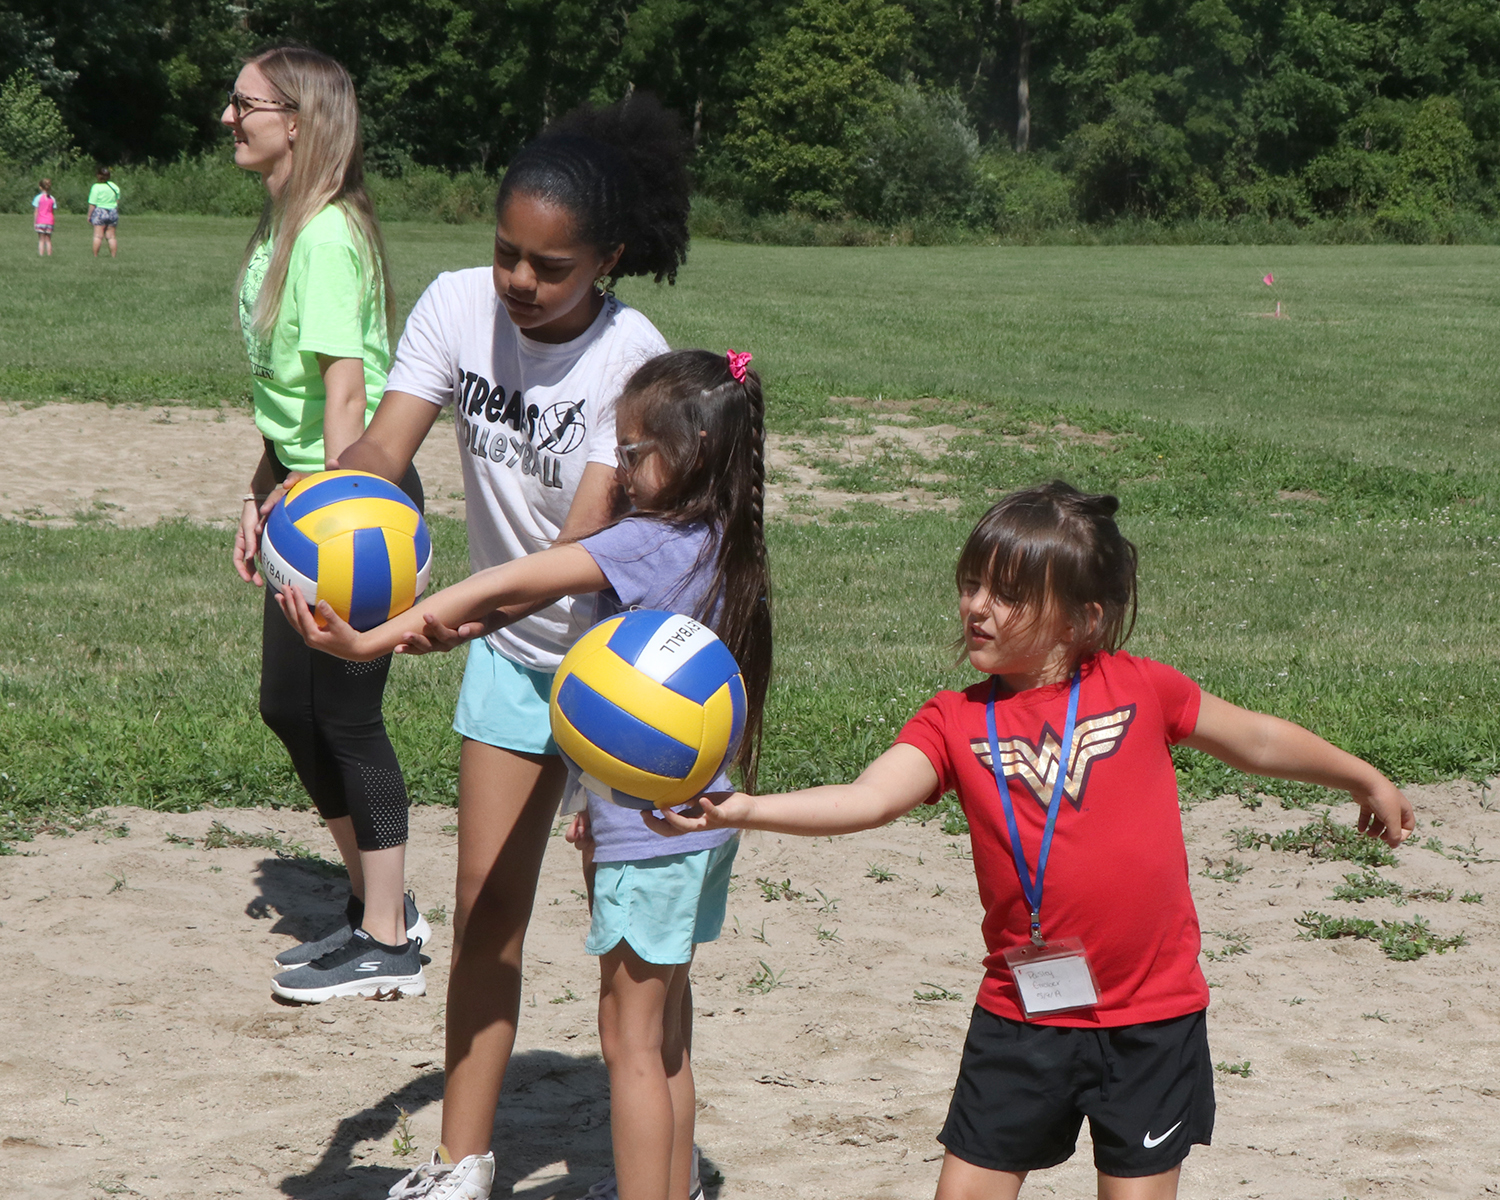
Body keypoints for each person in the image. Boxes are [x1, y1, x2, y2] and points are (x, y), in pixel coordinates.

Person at [653, 480, 1415, 1200]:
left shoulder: (1141, 688)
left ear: (1084, 618)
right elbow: (867, 798)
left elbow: (1257, 739)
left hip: (1152, 1020)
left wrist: (1360, 777)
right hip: (1022, 1016)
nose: (977, 607)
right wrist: (739, 808)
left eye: (1008, 595)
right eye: (972, 584)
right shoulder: (953, 720)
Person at [297, 94, 692, 1199]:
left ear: (607, 259)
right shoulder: (458, 307)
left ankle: (662, 1175)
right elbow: (384, 447)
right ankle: (460, 1165)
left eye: (549, 266)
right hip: (513, 658)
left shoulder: (636, 360)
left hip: (627, 675)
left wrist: (424, 623)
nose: (519, 281)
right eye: (507, 253)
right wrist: (306, 513)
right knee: (485, 910)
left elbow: (570, 555)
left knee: (639, 962)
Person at [282, 347, 771, 1200]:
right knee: (665, 1034)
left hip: (645, 837)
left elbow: (517, 579)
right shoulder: (723, 537)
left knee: (627, 1045)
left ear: (690, 452)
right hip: (694, 819)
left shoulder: (649, 543)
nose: (617, 468)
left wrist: (367, 639)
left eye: (632, 452)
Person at [222, 44, 430, 1003]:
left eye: (246, 104)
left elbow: (347, 407)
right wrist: (258, 497)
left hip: (349, 511)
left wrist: (322, 515)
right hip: (301, 502)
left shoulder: (328, 237)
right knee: (287, 705)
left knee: (347, 715)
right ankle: (373, 904)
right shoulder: (283, 229)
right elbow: (288, 402)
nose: (232, 118)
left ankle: (389, 940)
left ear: (298, 120)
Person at [87, 167, 120, 257]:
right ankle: (113, 256)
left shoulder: (96, 187)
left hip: (100, 211)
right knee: (111, 236)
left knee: (98, 236)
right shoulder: (114, 186)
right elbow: (117, 201)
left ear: (98, 176)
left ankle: (95, 255)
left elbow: (92, 204)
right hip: (112, 211)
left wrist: (89, 216)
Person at [33, 179, 55, 256]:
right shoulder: (52, 198)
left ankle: (41, 254)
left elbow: (36, 212)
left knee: (41, 240)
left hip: (40, 221)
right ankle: (49, 254)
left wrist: (35, 222)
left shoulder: (37, 198)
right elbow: (52, 211)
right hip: (49, 221)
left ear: (40, 187)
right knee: (48, 240)